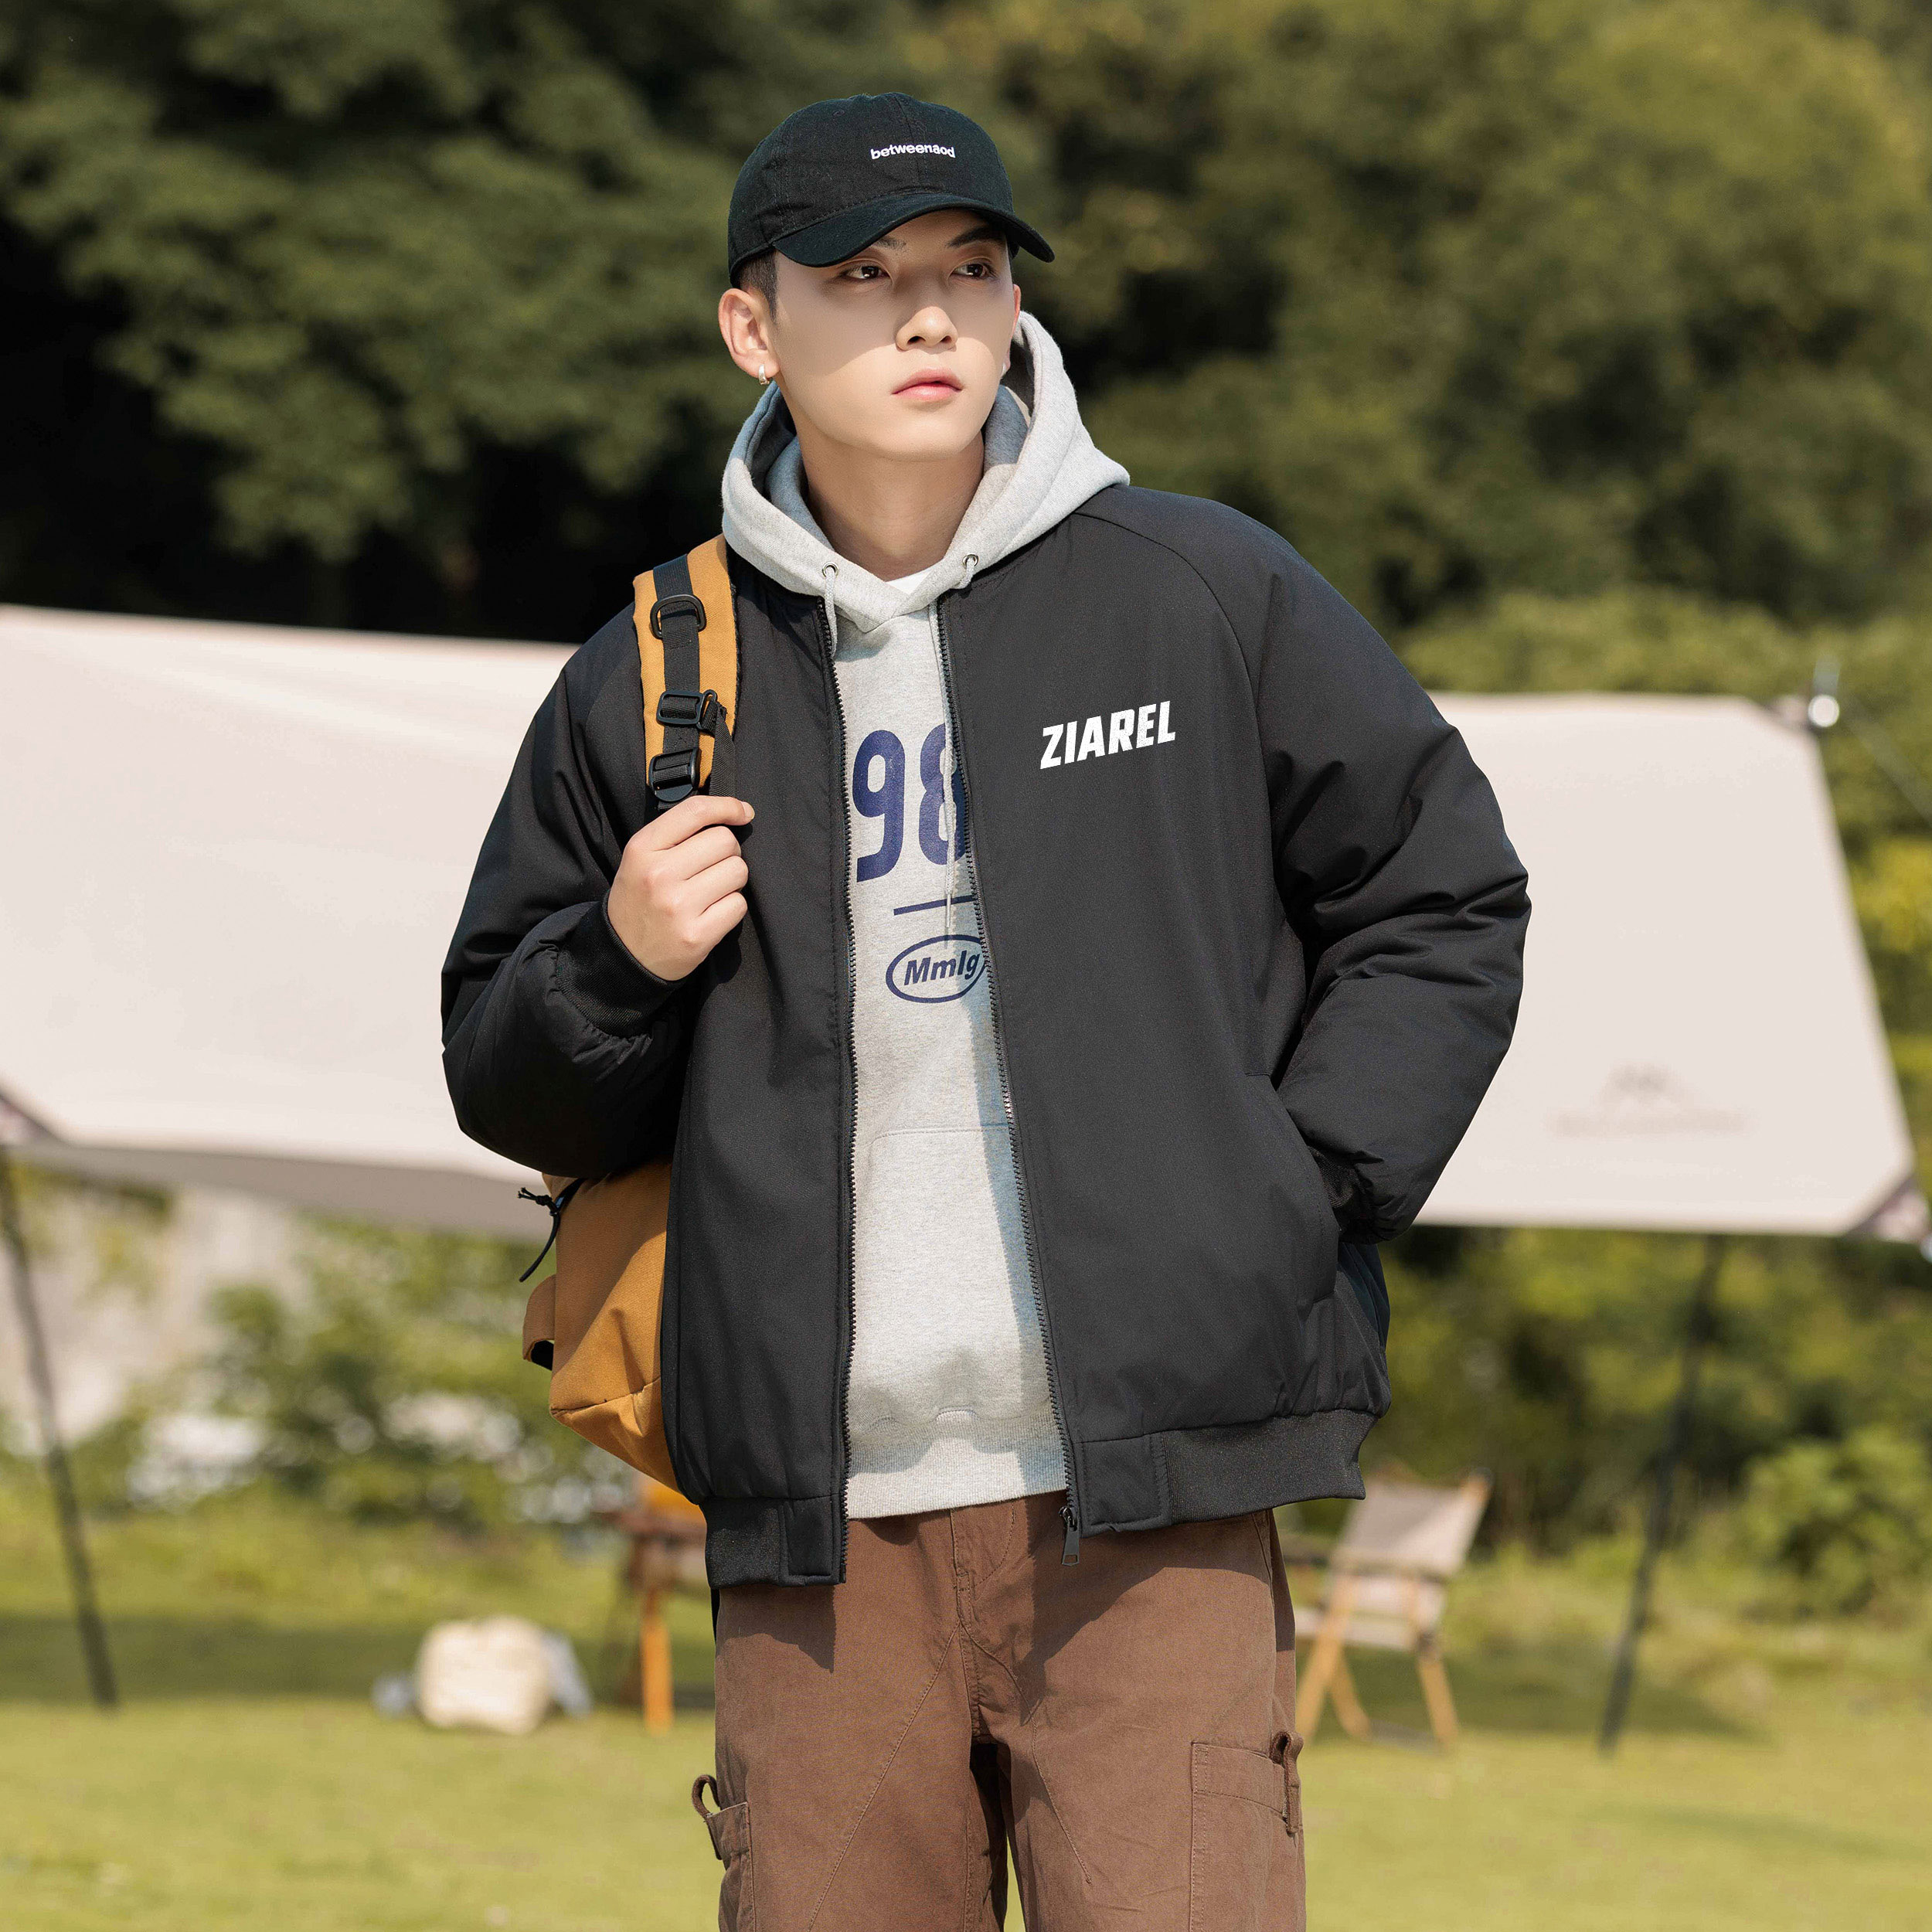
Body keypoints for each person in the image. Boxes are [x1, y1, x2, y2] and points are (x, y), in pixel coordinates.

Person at [443, 92, 1529, 1932]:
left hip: (1150, 1503)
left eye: (968, 268)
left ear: (1018, 303)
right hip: (812, 1524)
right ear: (752, 325)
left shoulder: (1203, 590)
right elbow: (504, 1075)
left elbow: (1438, 894)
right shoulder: (650, 669)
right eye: (862, 277)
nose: (929, 315)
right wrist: (615, 958)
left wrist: (1295, 1191)